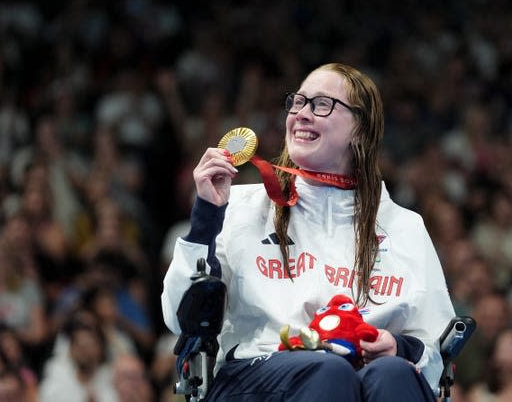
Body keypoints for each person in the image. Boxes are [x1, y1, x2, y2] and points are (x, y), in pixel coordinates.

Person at [161, 63, 456, 401]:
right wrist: (206, 220)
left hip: (360, 375)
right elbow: (178, 317)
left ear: (360, 128)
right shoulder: (240, 207)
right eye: (298, 102)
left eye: (321, 105)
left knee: (393, 373)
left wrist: (399, 346)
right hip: (255, 375)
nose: (301, 114)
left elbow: (436, 346)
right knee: (328, 370)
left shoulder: (404, 227)